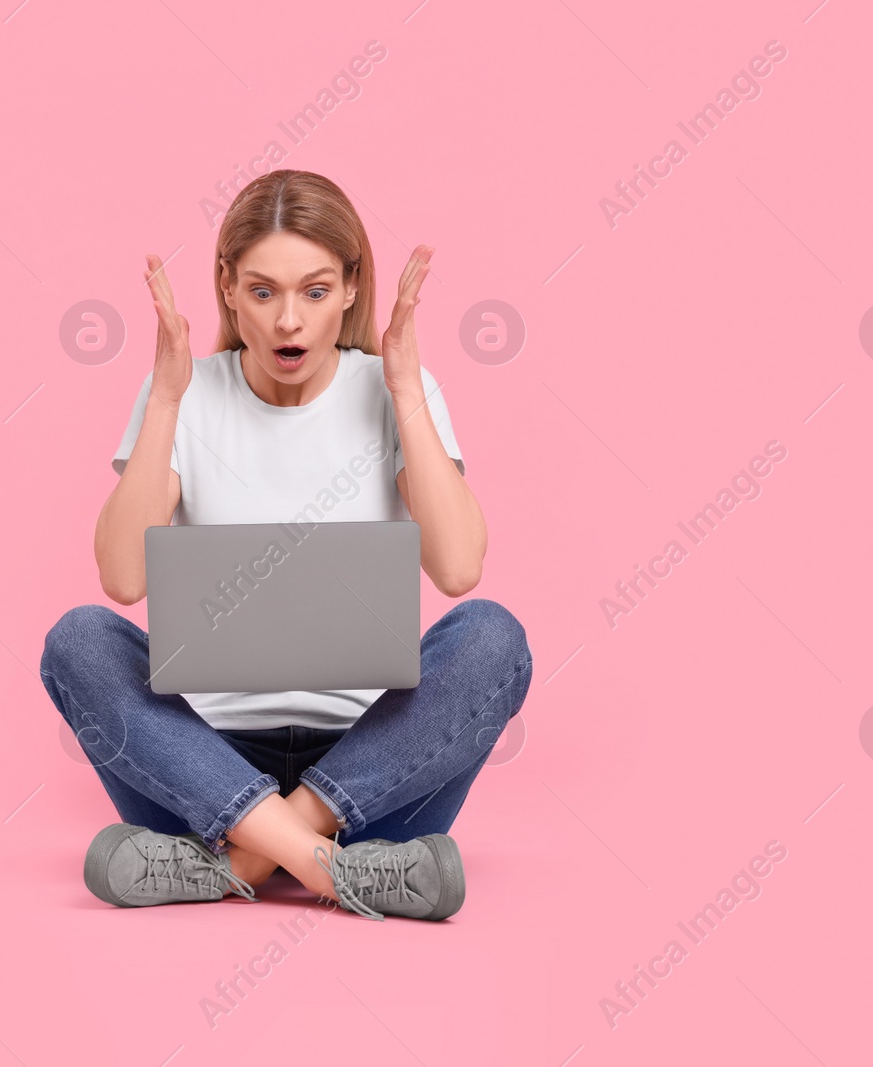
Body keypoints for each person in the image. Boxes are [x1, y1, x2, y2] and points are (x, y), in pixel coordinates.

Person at [39, 170, 533, 921]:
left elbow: (460, 567)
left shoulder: (399, 387)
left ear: (351, 289)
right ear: (228, 288)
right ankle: (327, 869)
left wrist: (404, 391)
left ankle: (239, 863)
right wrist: (167, 399)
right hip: (205, 768)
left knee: (494, 638)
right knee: (78, 641)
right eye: (264, 292)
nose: (289, 322)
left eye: (315, 290)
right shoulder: (185, 390)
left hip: (372, 772)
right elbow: (121, 579)